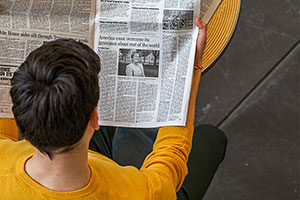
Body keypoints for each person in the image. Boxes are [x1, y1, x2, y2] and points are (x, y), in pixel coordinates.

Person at [0, 18, 227, 199]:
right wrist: (190, 69)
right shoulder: (144, 193)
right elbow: (170, 161)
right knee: (212, 137)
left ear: (20, 117)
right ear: (94, 119)